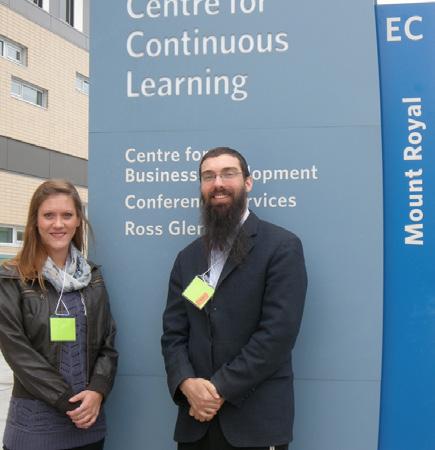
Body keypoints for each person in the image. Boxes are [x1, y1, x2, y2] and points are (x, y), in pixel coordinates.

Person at [161, 147, 307, 450]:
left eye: (228, 174)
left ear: (248, 183)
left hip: (256, 424)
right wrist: (187, 383)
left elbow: (277, 335)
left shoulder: (281, 247)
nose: (218, 183)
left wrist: (217, 390)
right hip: (196, 422)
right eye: (208, 176)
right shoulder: (187, 258)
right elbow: (173, 335)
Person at [0, 180, 118, 450]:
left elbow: (108, 343)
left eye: (67, 215)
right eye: (48, 215)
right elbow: (17, 352)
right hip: (34, 431)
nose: (58, 224)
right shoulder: (12, 277)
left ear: (78, 221)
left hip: (88, 428)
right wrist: (66, 400)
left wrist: (98, 390)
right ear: (35, 221)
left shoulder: (93, 277)